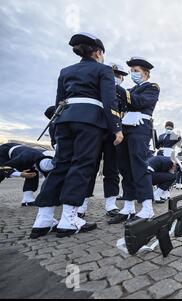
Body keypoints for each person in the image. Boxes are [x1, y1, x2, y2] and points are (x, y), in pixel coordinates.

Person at [31, 32, 123, 239]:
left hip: (64, 120)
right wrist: (116, 127)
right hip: (89, 122)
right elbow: (109, 101)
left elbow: (58, 103)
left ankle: (43, 219)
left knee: (60, 166)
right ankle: (68, 219)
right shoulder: (104, 70)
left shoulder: (66, 71)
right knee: (81, 165)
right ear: (98, 52)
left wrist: (55, 129)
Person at [109, 56, 160, 224]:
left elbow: (139, 102)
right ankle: (129, 207)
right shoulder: (130, 89)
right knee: (125, 167)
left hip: (140, 129)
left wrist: (117, 88)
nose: (133, 73)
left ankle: (147, 208)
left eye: (136, 71)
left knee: (139, 166)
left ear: (146, 73)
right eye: (131, 71)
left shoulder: (152, 87)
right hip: (124, 129)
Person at [81, 62, 130, 218]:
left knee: (111, 169)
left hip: (114, 133)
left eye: (120, 75)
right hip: (95, 129)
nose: (117, 78)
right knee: (89, 167)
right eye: (114, 74)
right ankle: (81, 203)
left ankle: (110, 203)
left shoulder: (124, 93)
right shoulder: (96, 87)